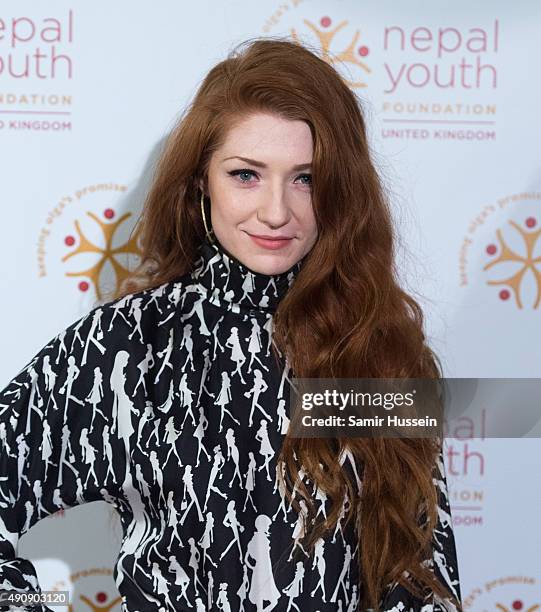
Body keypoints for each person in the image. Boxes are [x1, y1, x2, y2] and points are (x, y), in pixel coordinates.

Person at [0, 36, 463, 612]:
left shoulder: (379, 350)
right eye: (246, 175)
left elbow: (422, 573)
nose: (276, 211)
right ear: (201, 183)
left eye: (306, 179)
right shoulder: (128, 346)